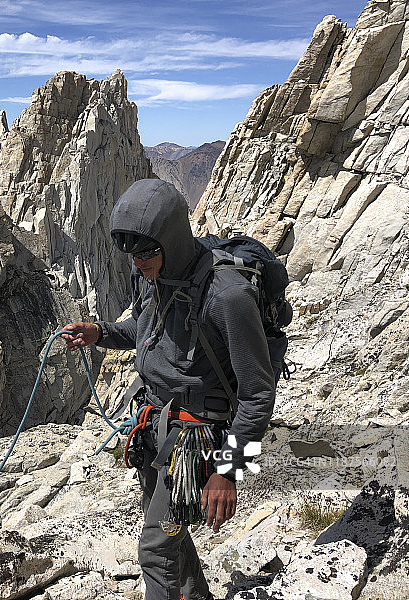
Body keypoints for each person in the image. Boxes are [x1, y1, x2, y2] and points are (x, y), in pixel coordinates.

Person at [62, 179, 275, 600]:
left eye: (146, 251)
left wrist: (228, 471)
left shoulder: (227, 296)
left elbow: (258, 394)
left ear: (172, 241)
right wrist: (99, 332)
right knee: (166, 531)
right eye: (131, 252)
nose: (137, 262)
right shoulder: (154, 277)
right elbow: (143, 333)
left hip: (199, 437)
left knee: (155, 550)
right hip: (154, 424)